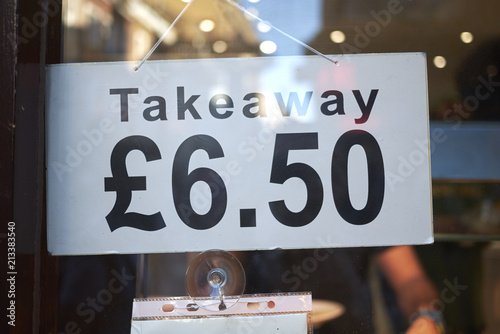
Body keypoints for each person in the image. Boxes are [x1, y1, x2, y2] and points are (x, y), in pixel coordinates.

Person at [243, 245, 443, 333]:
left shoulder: (359, 177)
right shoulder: (251, 181)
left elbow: (411, 279)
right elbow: (221, 270)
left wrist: (426, 317)